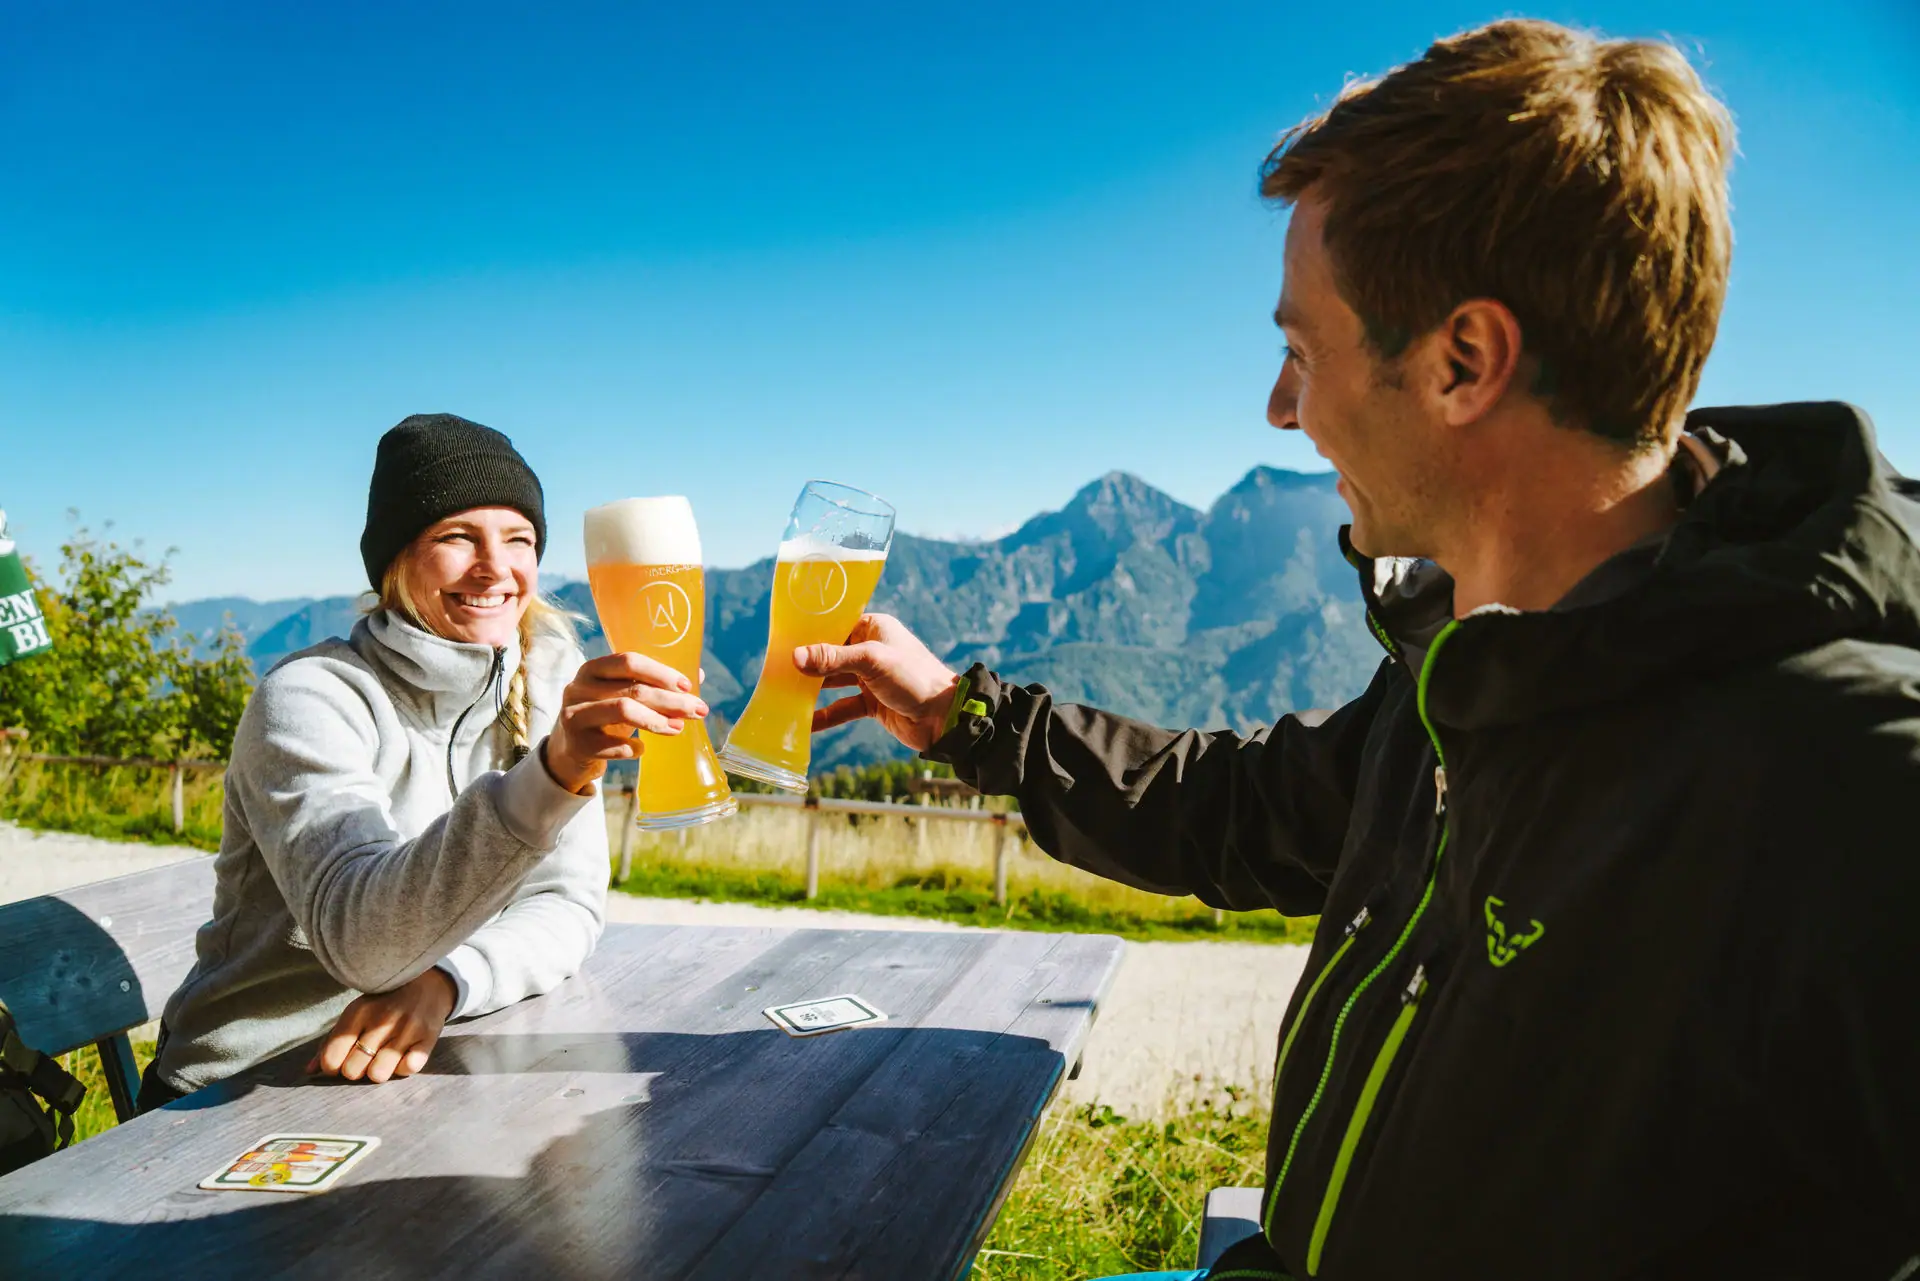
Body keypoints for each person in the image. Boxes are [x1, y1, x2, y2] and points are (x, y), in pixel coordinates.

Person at [796, 20, 1920, 1281]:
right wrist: (962, 716)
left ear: (1463, 363)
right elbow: (1240, 808)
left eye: (1301, 349)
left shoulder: (1848, 785)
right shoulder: (1475, 682)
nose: (1283, 408)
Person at [139, 414, 708, 1108]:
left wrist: (445, 980)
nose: (495, 568)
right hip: (238, 1088)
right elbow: (363, 945)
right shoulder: (311, 697)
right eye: (456, 537)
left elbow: (568, 903)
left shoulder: (551, 673)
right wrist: (552, 773)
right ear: (396, 561)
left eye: (518, 538)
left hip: (422, 1070)